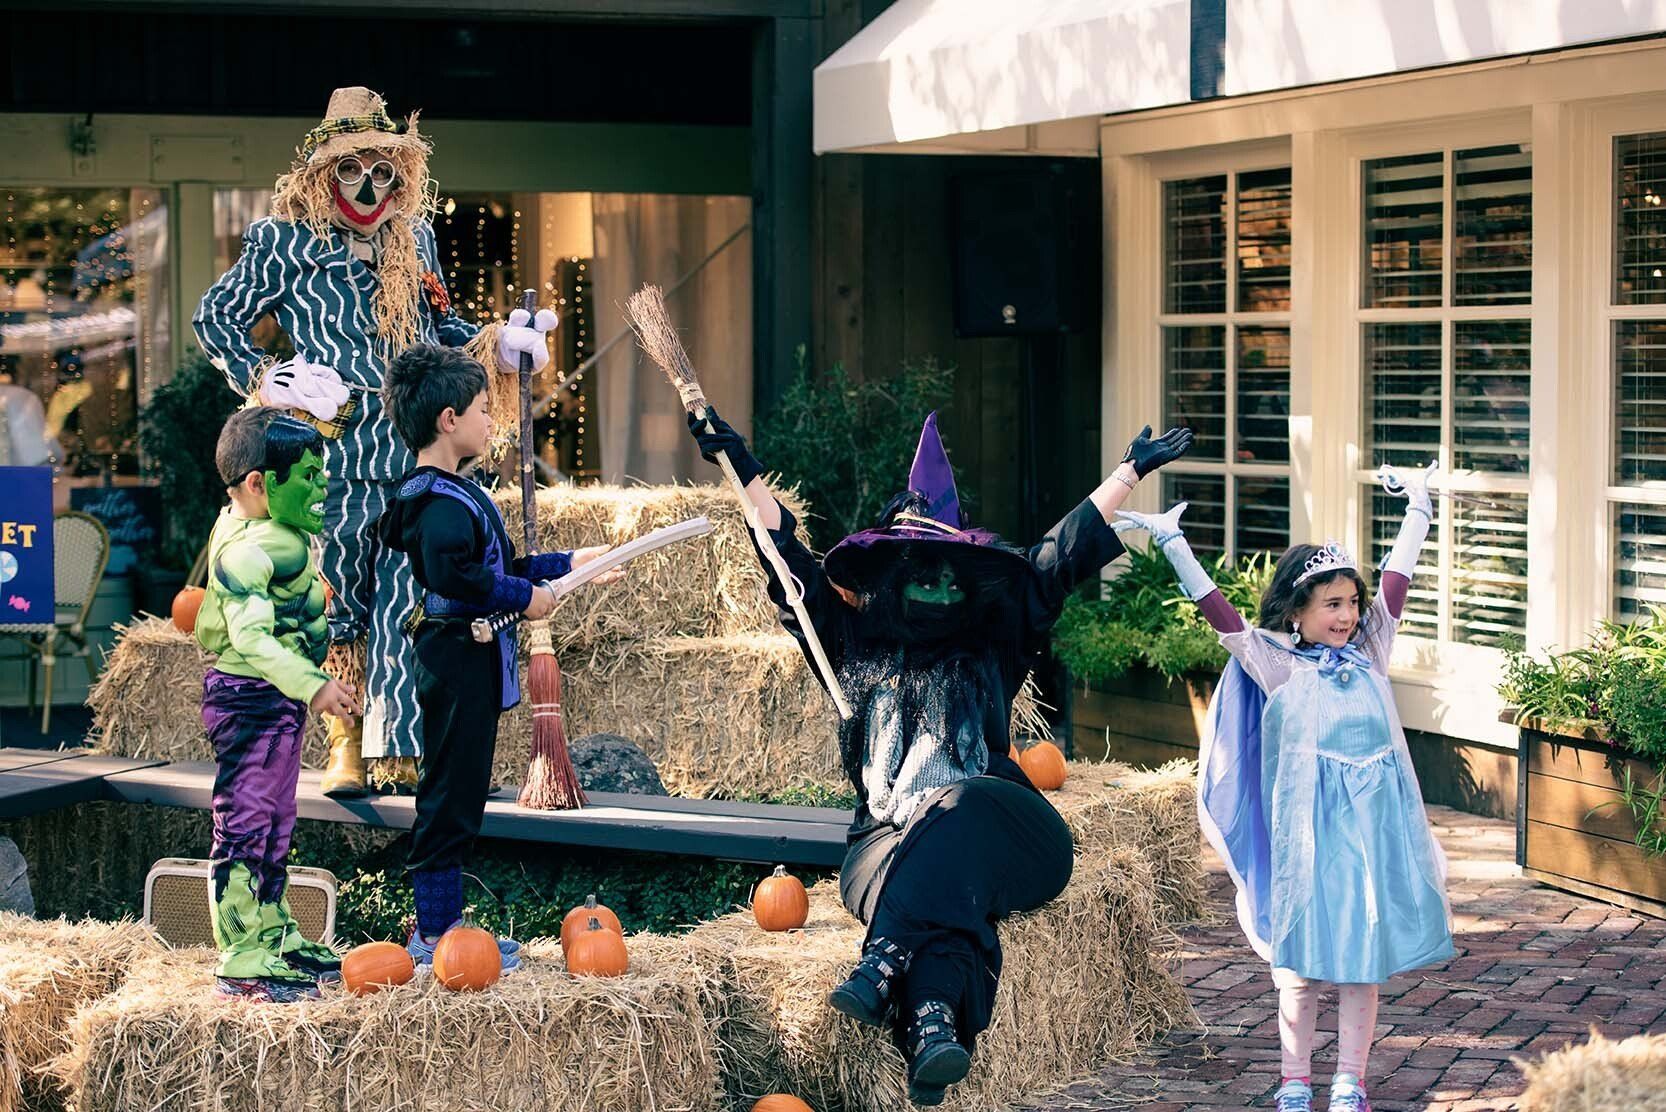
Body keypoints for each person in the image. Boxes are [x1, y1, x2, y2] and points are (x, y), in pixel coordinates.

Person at [686, 408, 1193, 1105]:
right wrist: (742, 469)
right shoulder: (851, 645)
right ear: (894, 578)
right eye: (927, 577)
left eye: (956, 581)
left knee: (962, 801)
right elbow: (788, 567)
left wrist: (1127, 473)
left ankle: (884, 956)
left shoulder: (994, 643)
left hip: (1008, 837)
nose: (944, 592)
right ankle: (931, 1024)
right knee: (947, 899)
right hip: (883, 850)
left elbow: (1056, 561)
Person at [194, 86, 553, 798]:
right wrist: (269, 379)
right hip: (329, 458)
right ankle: (345, 746)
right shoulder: (283, 242)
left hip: (413, 455)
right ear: (322, 174)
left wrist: (499, 345)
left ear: (401, 175)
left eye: (383, 171)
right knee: (339, 601)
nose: (368, 186)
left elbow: (440, 338)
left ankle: (401, 746)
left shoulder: (413, 240)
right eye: (352, 170)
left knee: (407, 600)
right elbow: (215, 320)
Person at [1113, 462, 1455, 1112]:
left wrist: (1419, 509)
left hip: (1367, 833)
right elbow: (1222, 619)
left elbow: (1398, 583)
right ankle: (1296, 1081)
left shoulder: (1370, 654)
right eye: (1333, 604)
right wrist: (1172, 543)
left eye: (1352, 602)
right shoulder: (1277, 664)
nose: (1349, 614)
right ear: (1297, 612)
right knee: (1298, 967)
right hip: (1305, 836)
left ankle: (1350, 1080)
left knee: (1362, 957)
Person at [377, 344, 621, 965]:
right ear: (448, 421)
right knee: (449, 796)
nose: (494, 421)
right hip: (455, 657)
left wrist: (570, 566)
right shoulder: (435, 505)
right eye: (485, 410)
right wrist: (525, 596)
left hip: (471, 658)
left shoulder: (458, 493)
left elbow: (499, 568)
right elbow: (456, 577)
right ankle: (436, 936)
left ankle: (445, 929)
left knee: (463, 794)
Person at [195, 407, 361, 1001]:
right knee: (245, 821)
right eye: (309, 476)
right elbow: (250, 636)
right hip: (252, 700)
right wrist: (312, 684)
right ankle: (241, 952)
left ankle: (274, 932)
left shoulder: (271, 533)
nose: (322, 488)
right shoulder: (244, 550)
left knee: (275, 820)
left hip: (274, 702)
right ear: (261, 484)